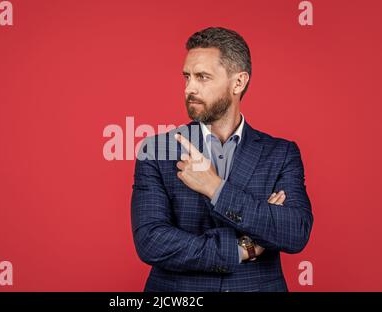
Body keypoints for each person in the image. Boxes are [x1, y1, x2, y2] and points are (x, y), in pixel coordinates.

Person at [131, 27, 313, 292]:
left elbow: (294, 232)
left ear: (238, 83)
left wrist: (215, 188)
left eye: (202, 77)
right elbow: (151, 241)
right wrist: (243, 249)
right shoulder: (157, 150)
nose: (189, 88)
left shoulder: (281, 153)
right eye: (187, 77)